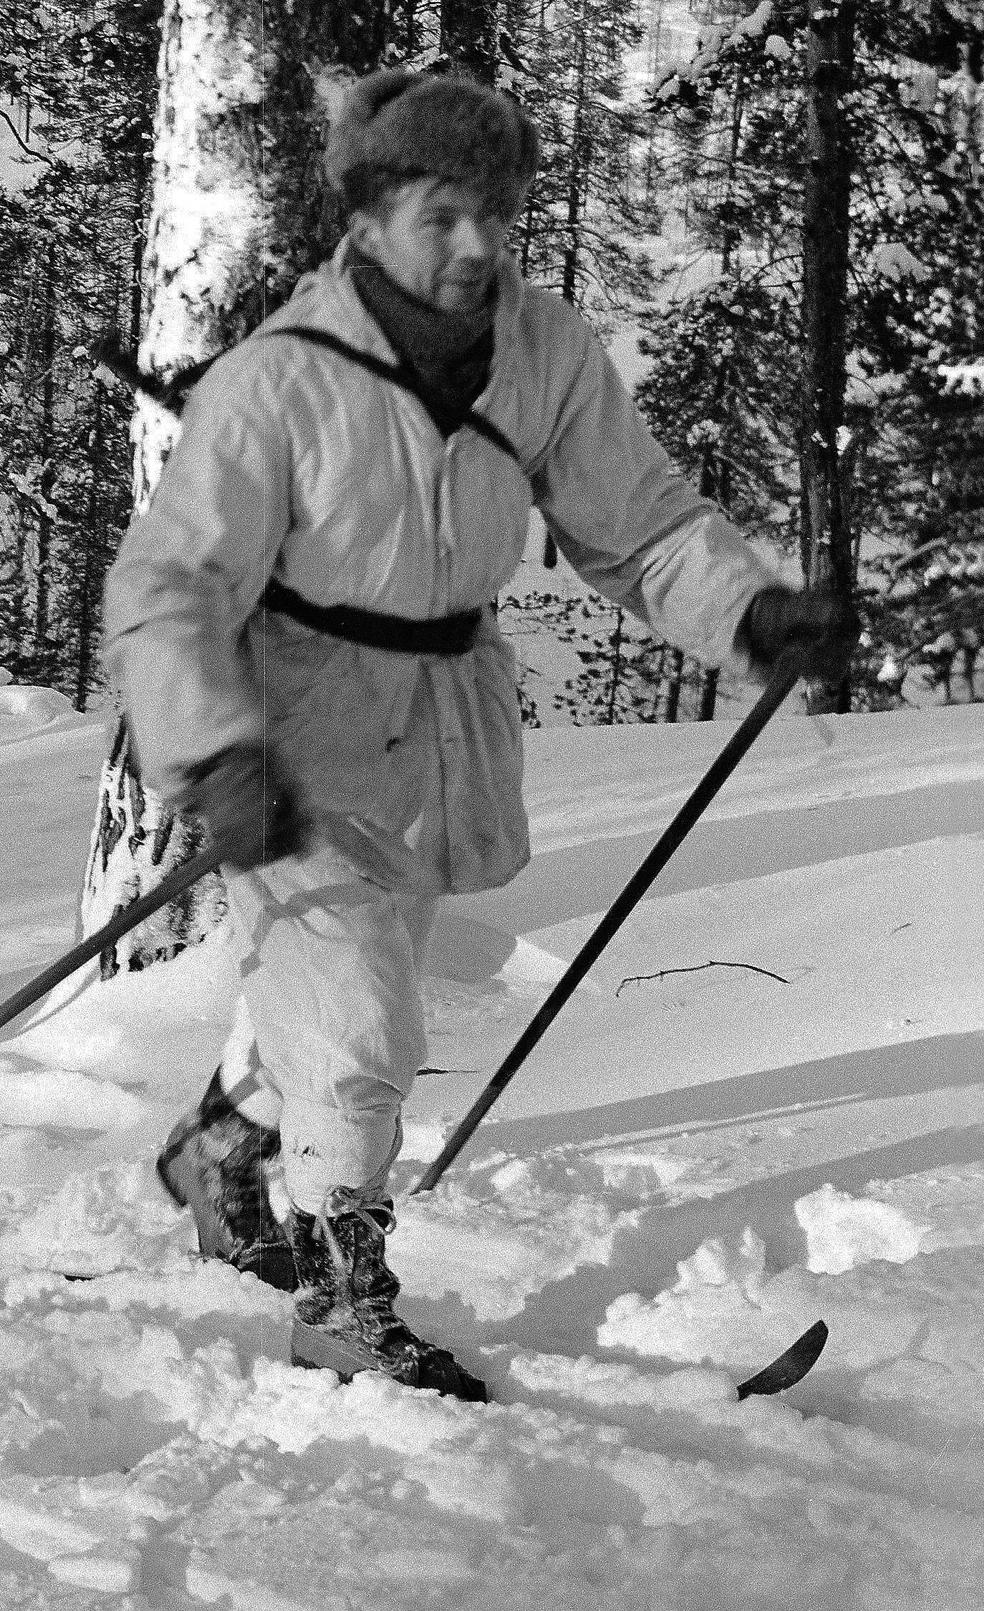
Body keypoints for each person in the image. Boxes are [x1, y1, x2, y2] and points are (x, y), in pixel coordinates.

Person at [111, 71, 850, 1399]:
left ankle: (224, 1140)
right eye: (444, 216)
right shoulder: (277, 380)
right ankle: (341, 1301)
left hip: (444, 714)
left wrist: (751, 610)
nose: (476, 248)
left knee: (355, 971)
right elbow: (169, 589)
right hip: (292, 717)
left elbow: (642, 522)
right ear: (372, 215)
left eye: (495, 217)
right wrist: (214, 751)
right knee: (359, 1018)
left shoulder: (546, 350)